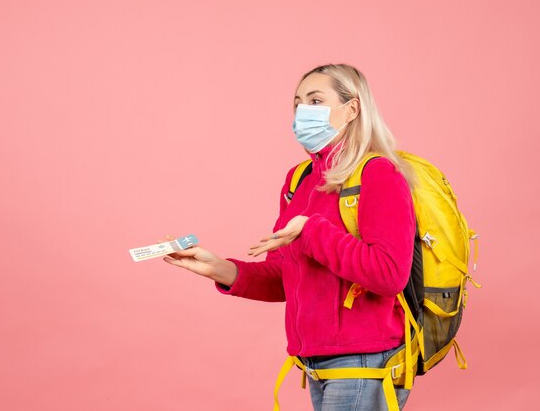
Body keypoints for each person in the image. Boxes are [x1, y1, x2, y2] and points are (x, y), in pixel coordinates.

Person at [160, 63, 418, 410]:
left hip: (363, 362)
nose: (302, 112)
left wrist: (311, 230)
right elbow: (284, 278)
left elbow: (389, 275)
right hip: (316, 364)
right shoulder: (299, 181)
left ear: (352, 109)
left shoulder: (379, 173)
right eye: (298, 103)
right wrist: (220, 269)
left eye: (315, 101)